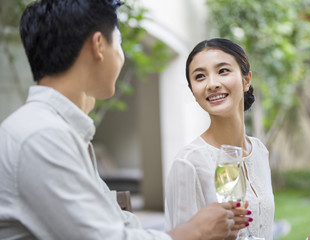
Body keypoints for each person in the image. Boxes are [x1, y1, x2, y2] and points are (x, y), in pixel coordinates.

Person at [0, 1, 243, 239]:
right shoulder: (42, 136)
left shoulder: (57, 131)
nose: (122, 55)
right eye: (118, 42)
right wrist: (196, 231)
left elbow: (119, 226)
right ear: (98, 46)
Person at [164, 38, 310, 240]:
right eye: (200, 76)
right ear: (193, 91)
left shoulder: (259, 151)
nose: (212, 84)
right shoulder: (188, 162)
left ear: (246, 80)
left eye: (223, 71)